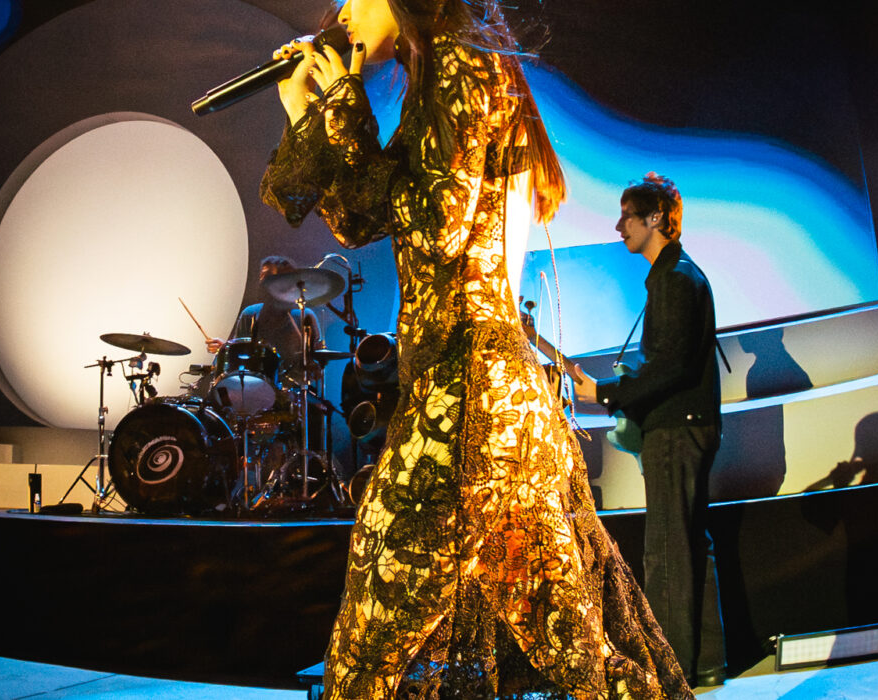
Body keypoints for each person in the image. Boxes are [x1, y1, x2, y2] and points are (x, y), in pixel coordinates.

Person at [260, 2, 692, 697]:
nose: (342, 13)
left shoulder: (463, 63)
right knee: (571, 644)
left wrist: (343, 104)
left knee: (375, 637)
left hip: (468, 393)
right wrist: (307, 109)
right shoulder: (446, 73)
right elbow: (362, 217)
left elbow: (435, 227)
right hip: (478, 394)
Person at [572, 174, 727, 688]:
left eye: (627, 216)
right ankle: (705, 663)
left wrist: (607, 393)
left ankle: (673, 675)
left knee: (667, 552)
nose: (619, 227)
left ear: (655, 218)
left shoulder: (675, 279)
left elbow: (670, 366)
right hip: (687, 427)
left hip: (676, 431)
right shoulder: (676, 275)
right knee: (689, 545)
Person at [205, 254, 321, 387]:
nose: (262, 281)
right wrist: (226, 349)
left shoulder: (304, 316)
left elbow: (317, 365)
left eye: (270, 277)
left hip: (294, 390)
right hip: (253, 388)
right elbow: (239, 356)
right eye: (262, 276)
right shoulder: (250, 313)